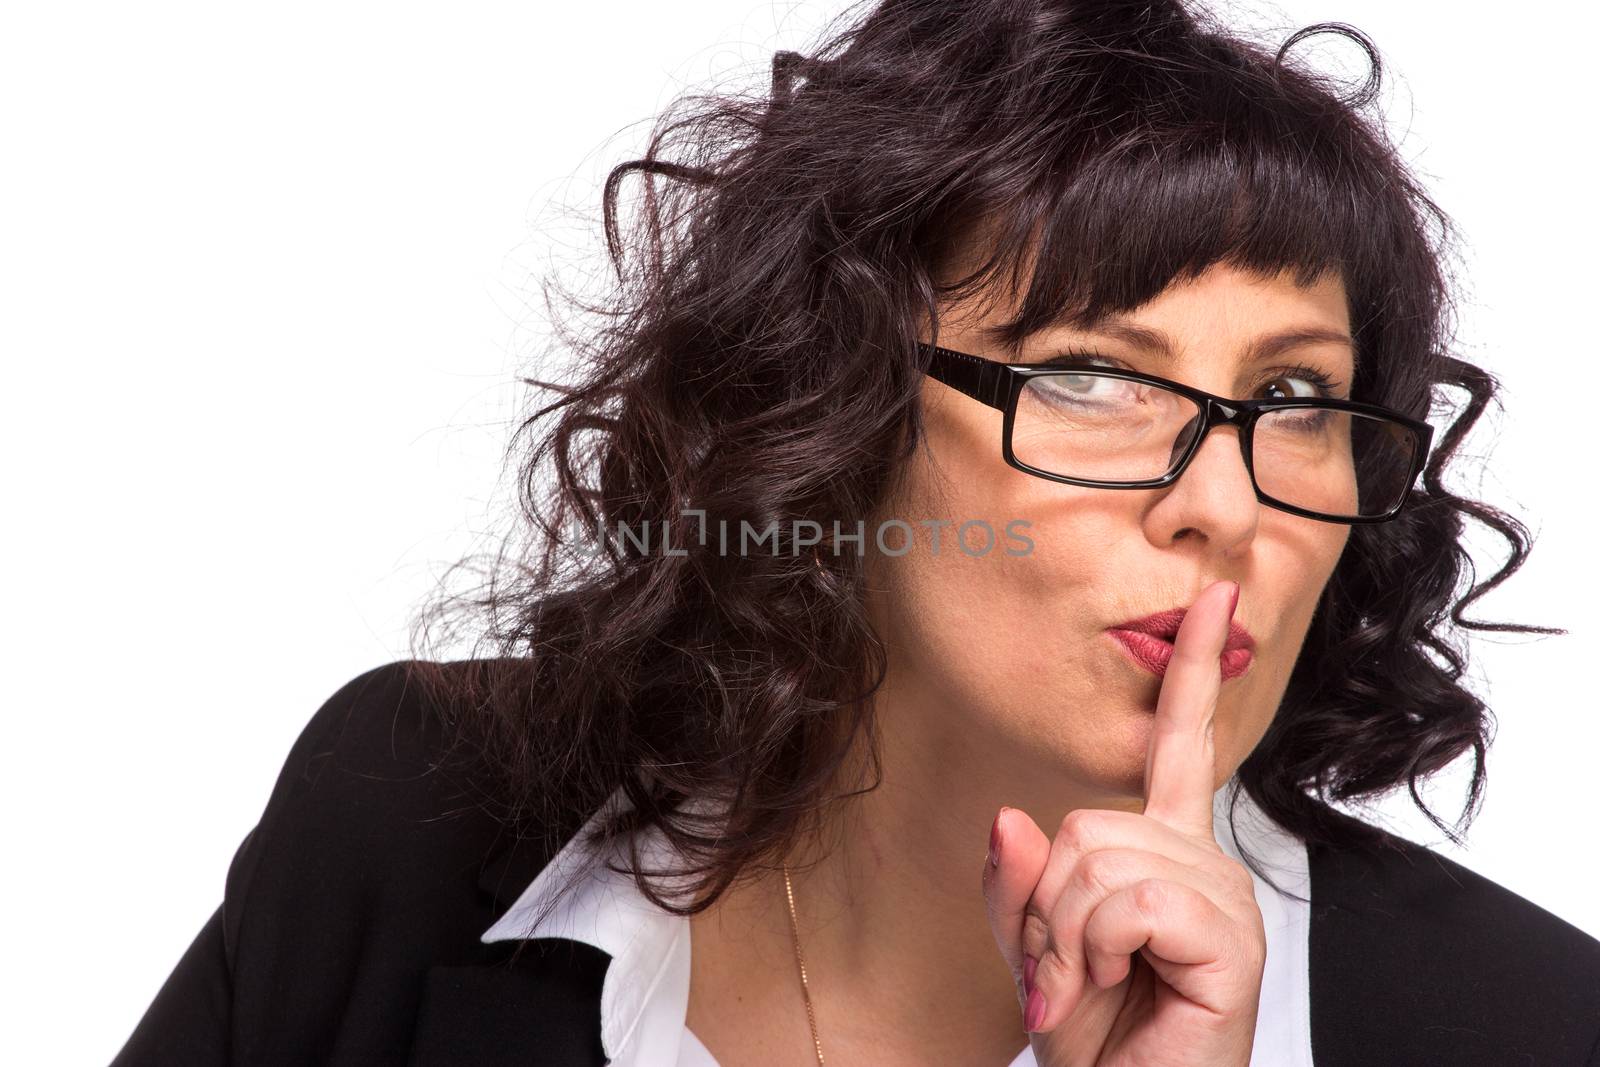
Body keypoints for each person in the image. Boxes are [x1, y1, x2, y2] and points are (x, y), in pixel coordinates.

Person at [111, 0, 1600, 1064]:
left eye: (1294, 397)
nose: (1221, 500)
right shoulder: (410, 821)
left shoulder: (1525, 1026)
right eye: (1090, 377)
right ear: (836, 405)